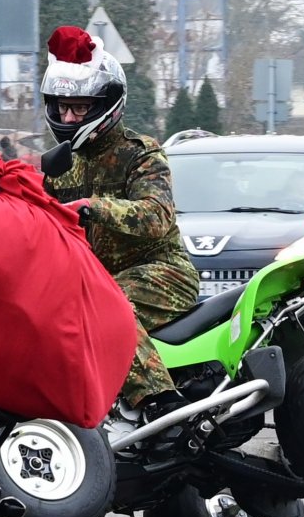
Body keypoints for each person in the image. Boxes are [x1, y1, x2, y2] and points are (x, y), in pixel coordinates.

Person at [38, 25, 200, 428]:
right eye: (61, 107)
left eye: (77, 107)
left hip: (162, 273)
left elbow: (156, 215)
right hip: (94, 280)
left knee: (103, 308)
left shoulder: (139, 154)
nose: (67, 116)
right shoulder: (58, 167)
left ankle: (163, 406)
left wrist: (94, 207)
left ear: (105, 104)